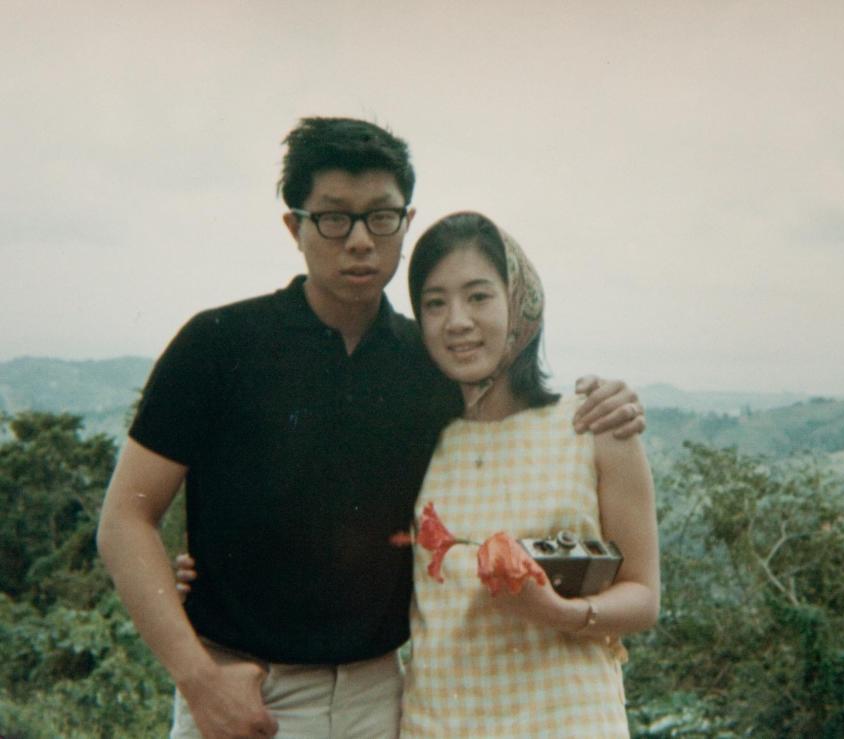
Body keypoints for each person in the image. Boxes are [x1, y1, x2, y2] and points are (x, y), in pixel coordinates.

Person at [96, 117, 645, 739]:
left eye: (380, 217)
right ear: (294, 226)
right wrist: (199, 680)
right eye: (334, 217)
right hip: (245, 693)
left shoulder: (429, 364)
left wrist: (610, 401)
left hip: (384, 699)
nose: (359, 240)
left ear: (406, 224)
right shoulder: (219, 345)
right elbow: (124, 520)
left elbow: (512, 424)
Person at [399, 212, 660, 736]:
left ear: (520, 300)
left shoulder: (592, 425)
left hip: (565, 719)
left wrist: (562, 613)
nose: (457, 321)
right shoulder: (417, 443)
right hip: (440, 723)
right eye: (435, 303)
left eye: (478, 297)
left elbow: (642, 595)